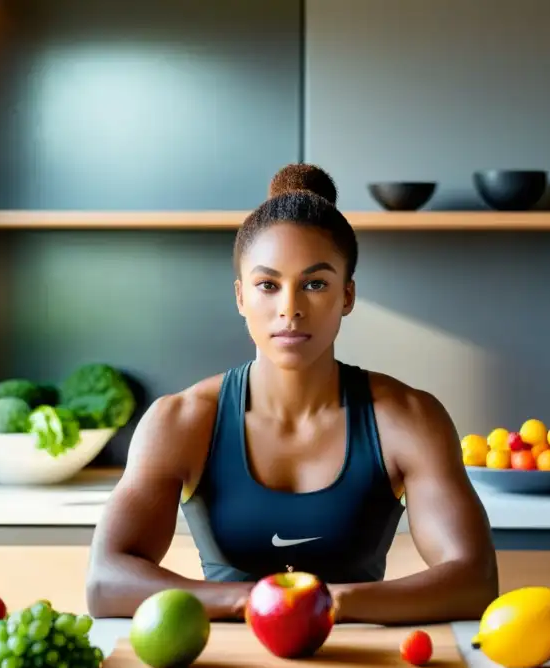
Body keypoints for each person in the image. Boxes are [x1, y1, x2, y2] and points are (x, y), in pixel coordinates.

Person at [86, 163, 498, 625]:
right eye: (268, 285)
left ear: (347, 295)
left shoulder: (408, 418)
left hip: (361, 666)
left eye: (315, 284)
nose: (290, 309)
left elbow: (473, 579)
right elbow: (106, 581)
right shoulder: (181, 420)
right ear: (241, 297)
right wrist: (255, 602)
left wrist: (326, 605)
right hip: (224, 666)